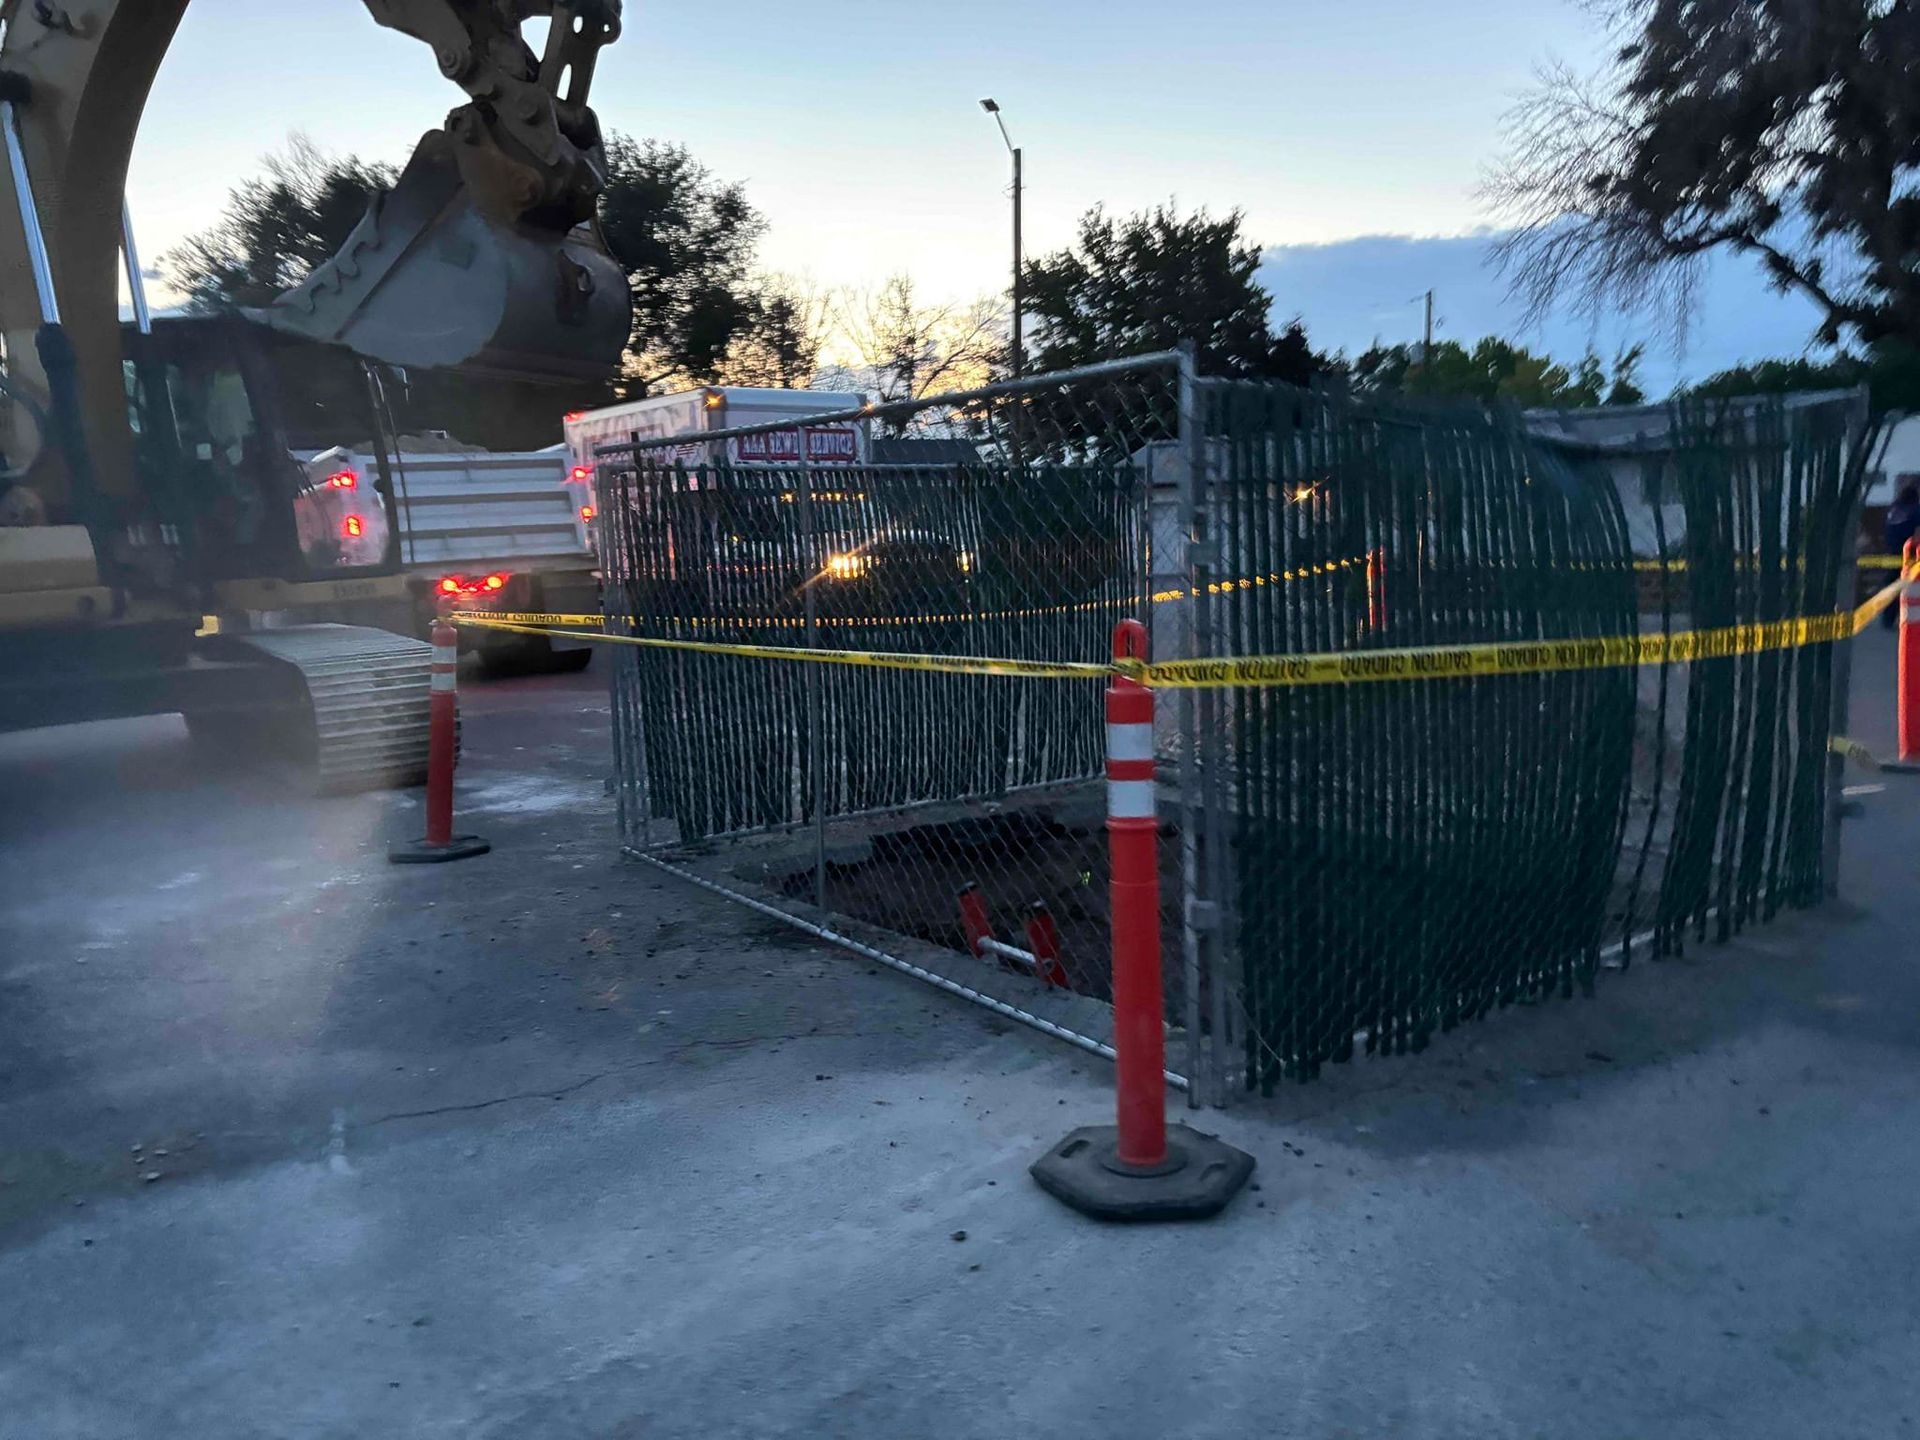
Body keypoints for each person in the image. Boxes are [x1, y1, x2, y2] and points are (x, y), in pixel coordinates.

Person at [1883, 480, 1919, 627]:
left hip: (1892, 552)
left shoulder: (1894, 509)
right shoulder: (1916, 510)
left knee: (1893, 586)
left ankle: (1887, 619)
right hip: (1909, 554)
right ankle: (1906, 619)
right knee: (1909, 588)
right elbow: (1917, 533)